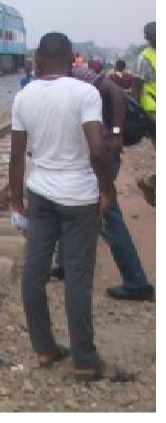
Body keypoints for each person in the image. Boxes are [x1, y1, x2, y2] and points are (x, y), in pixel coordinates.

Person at [10, 32, 134, 383]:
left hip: (40, 193)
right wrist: (106, 189)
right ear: (72, 60)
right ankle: (85, 358)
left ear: (38, 60)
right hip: (79, 196)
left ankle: (45, 348)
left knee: (34, 271)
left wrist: (16, 200)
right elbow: (96, 149)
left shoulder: (24, 96)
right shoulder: (84, 92)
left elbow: (18, 153)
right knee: (77, 278)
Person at [44, 62, 155, 302]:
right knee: (67, 201)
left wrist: (115, 132)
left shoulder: (79, 74)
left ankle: (137, 282)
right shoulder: (50, 83)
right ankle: (64, 264)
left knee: (107, 215)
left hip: (102, 154)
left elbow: (115, 92)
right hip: (86, 157)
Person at [130, 21, 156, 205]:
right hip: (153, 111)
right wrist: (136, 114)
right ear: (147, 38)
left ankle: (150, 182)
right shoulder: (144, 58)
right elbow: (136, 88)